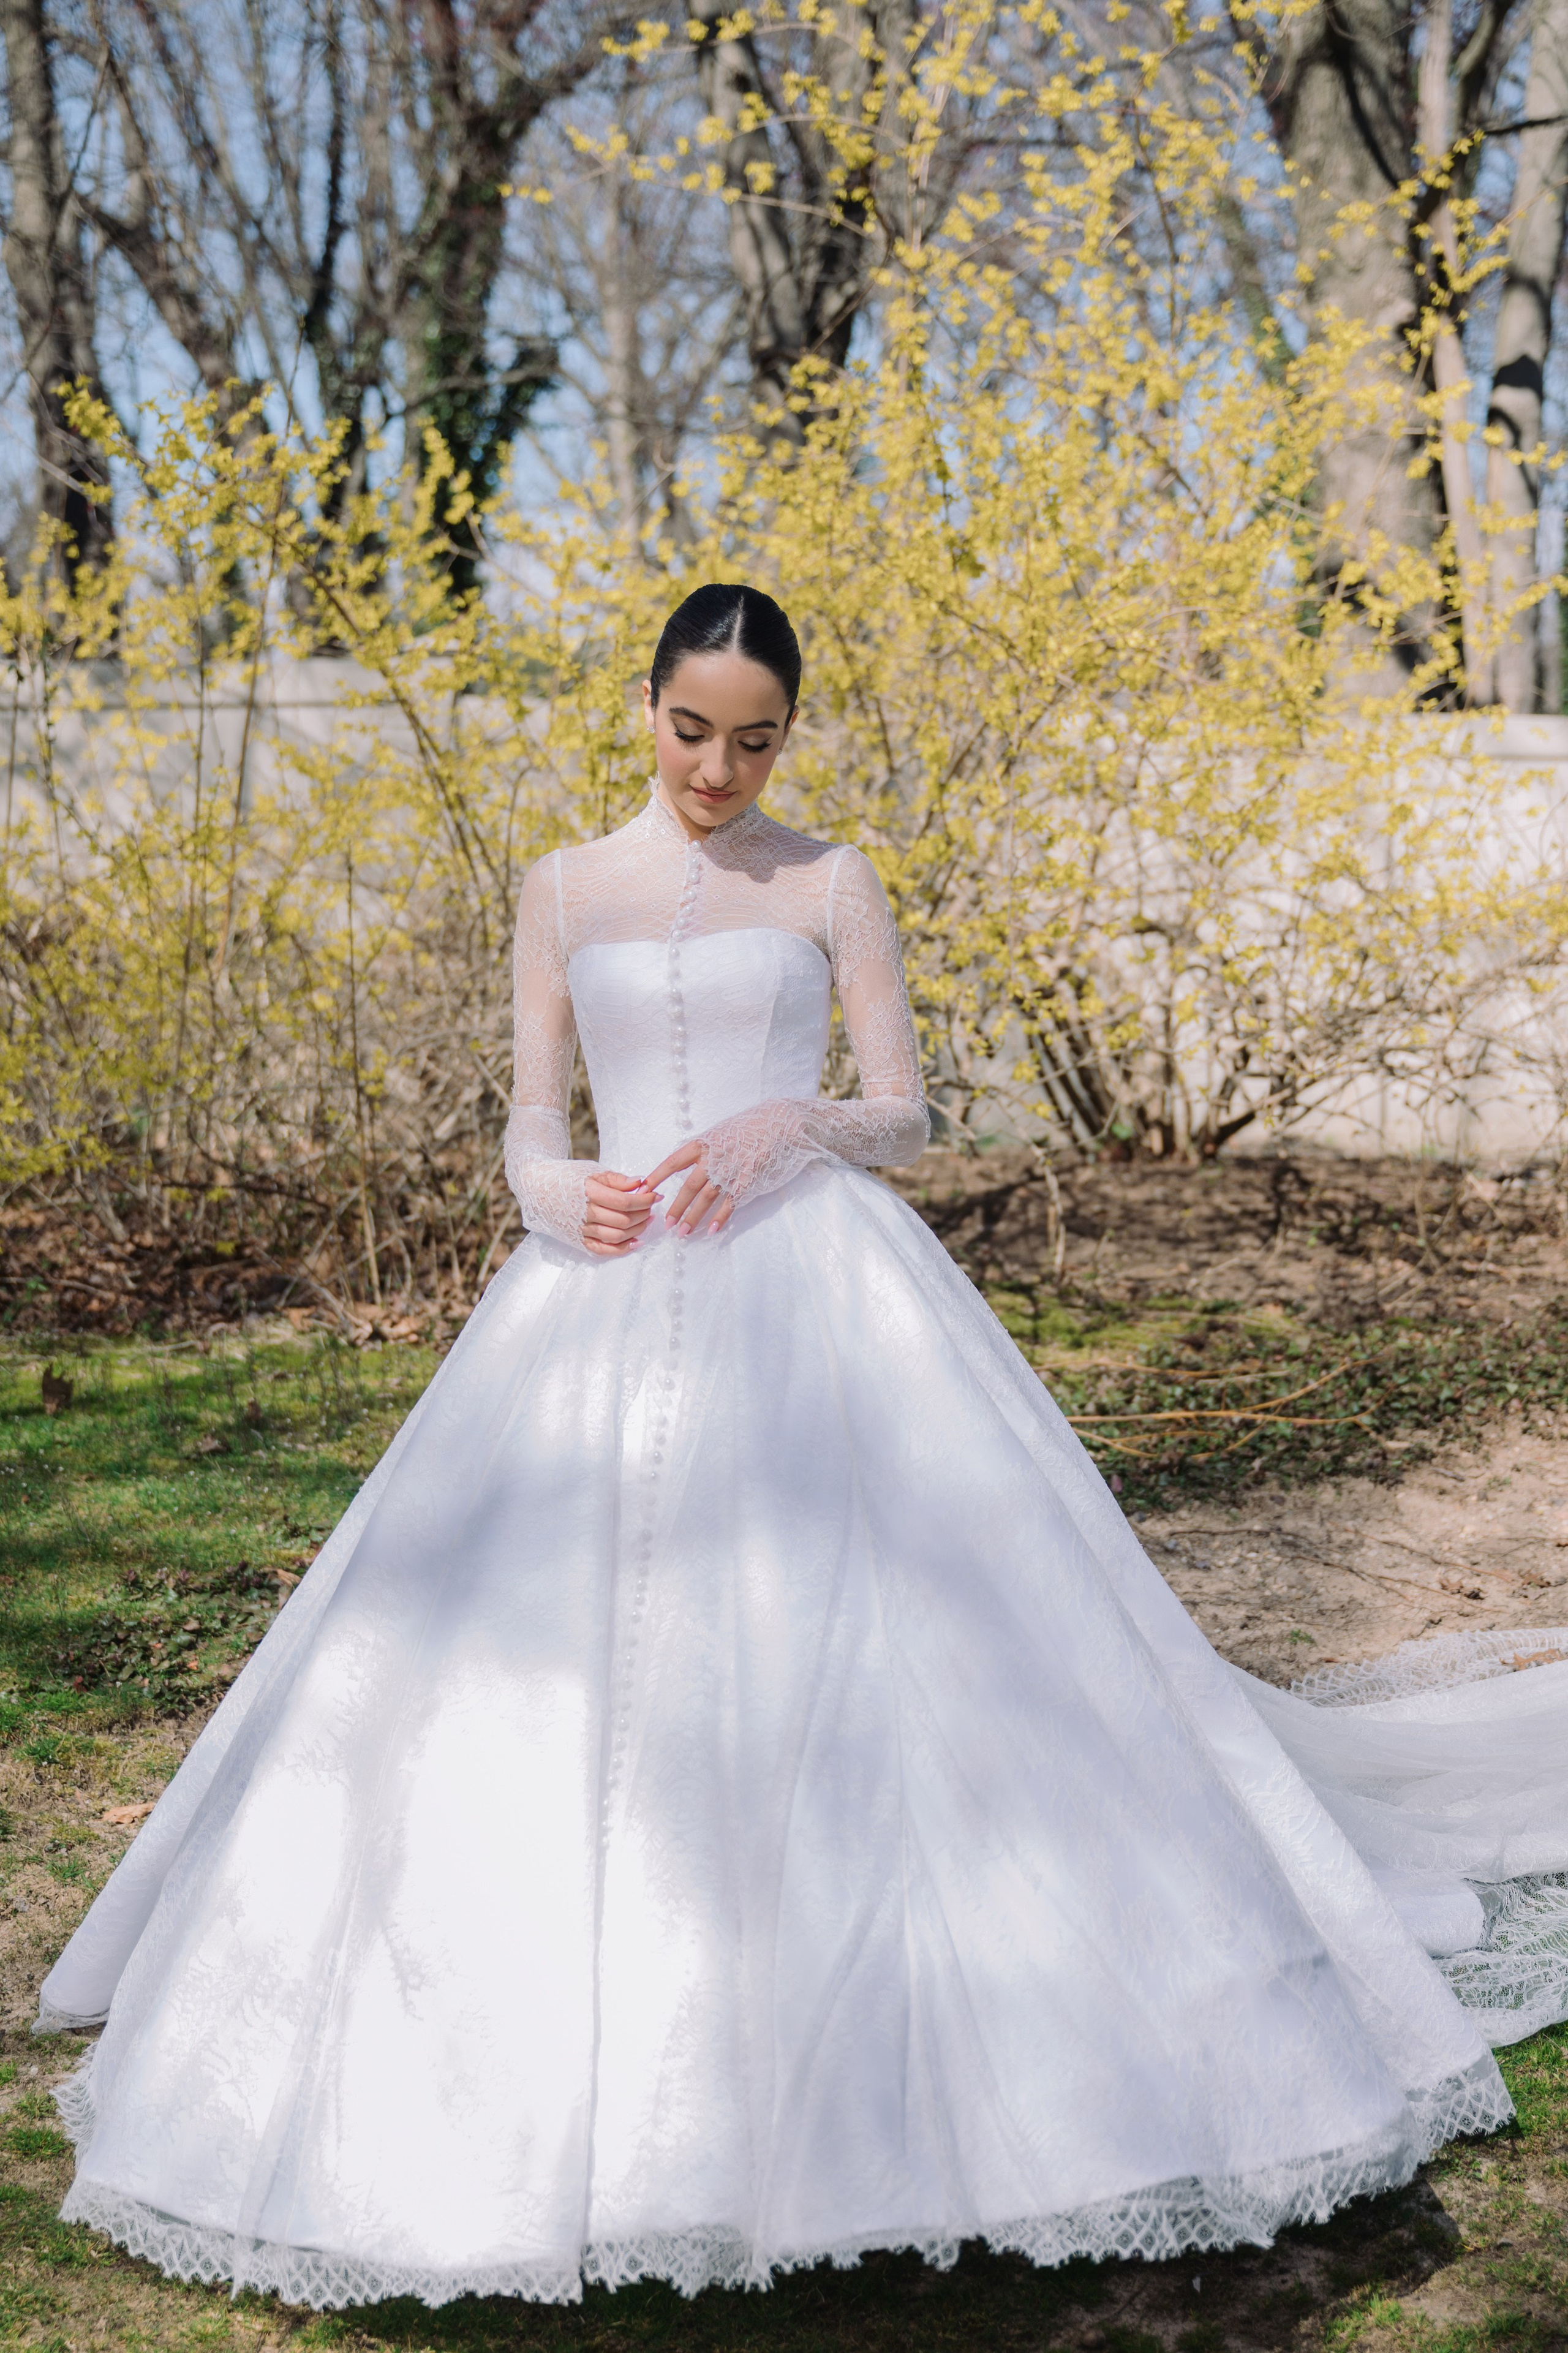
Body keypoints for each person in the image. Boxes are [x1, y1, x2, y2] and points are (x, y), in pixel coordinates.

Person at [37, 584, 1568, 2311]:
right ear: (646, 708)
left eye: (755, 737)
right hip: (599, 1288)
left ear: (788, 732)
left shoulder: (829, 878)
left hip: (812, 1278)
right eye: (693, 729)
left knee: (893, 1661)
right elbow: (533, 1117)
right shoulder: (559, 887)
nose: (719, 766)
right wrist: (554, 1189)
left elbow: (906, 1105)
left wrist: (793, 1119)